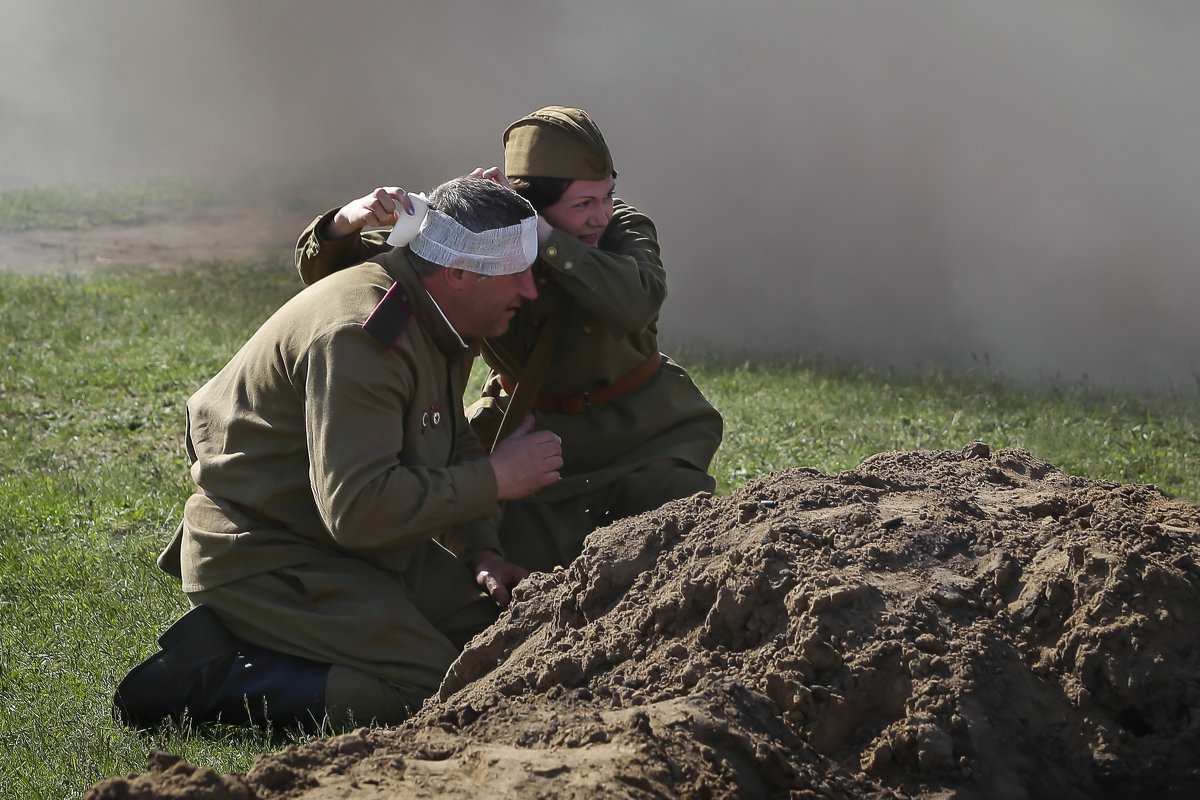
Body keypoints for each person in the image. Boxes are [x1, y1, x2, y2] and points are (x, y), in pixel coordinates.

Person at [114, 176, 563, 731]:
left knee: (503, 643)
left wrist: (481, 552)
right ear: (459, 274)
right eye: (515, 274)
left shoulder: (440, 312)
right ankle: (211, 678)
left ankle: (311, 648)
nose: (530, 291)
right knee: (432, 691)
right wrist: (494, 479)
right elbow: (358, 509)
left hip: (348, 542)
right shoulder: (361, 337)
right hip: (267, 551)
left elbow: (444, 440)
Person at [295, 106, 723, 574]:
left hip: (640, 433)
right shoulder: (489, 233)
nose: (601, 215)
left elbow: (637, 301)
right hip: (527, 431)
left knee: (676, 545)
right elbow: (385, 279)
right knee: (490, 561)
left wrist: (542, 235)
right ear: (532, 200)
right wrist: (345, 224)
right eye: (583, 204)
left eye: (606, 196)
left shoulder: (624, 228)